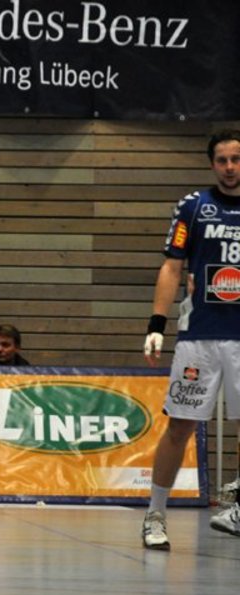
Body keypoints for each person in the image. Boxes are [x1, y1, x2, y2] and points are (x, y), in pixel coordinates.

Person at [141, 129, 240, 551]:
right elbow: (172, 266)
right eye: (222, 160)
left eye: (236, 159)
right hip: (199, 336)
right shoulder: (194, 206)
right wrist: (156, 324)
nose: (230, 167)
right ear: (212, 164)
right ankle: (155, 515)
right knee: (180, 426)